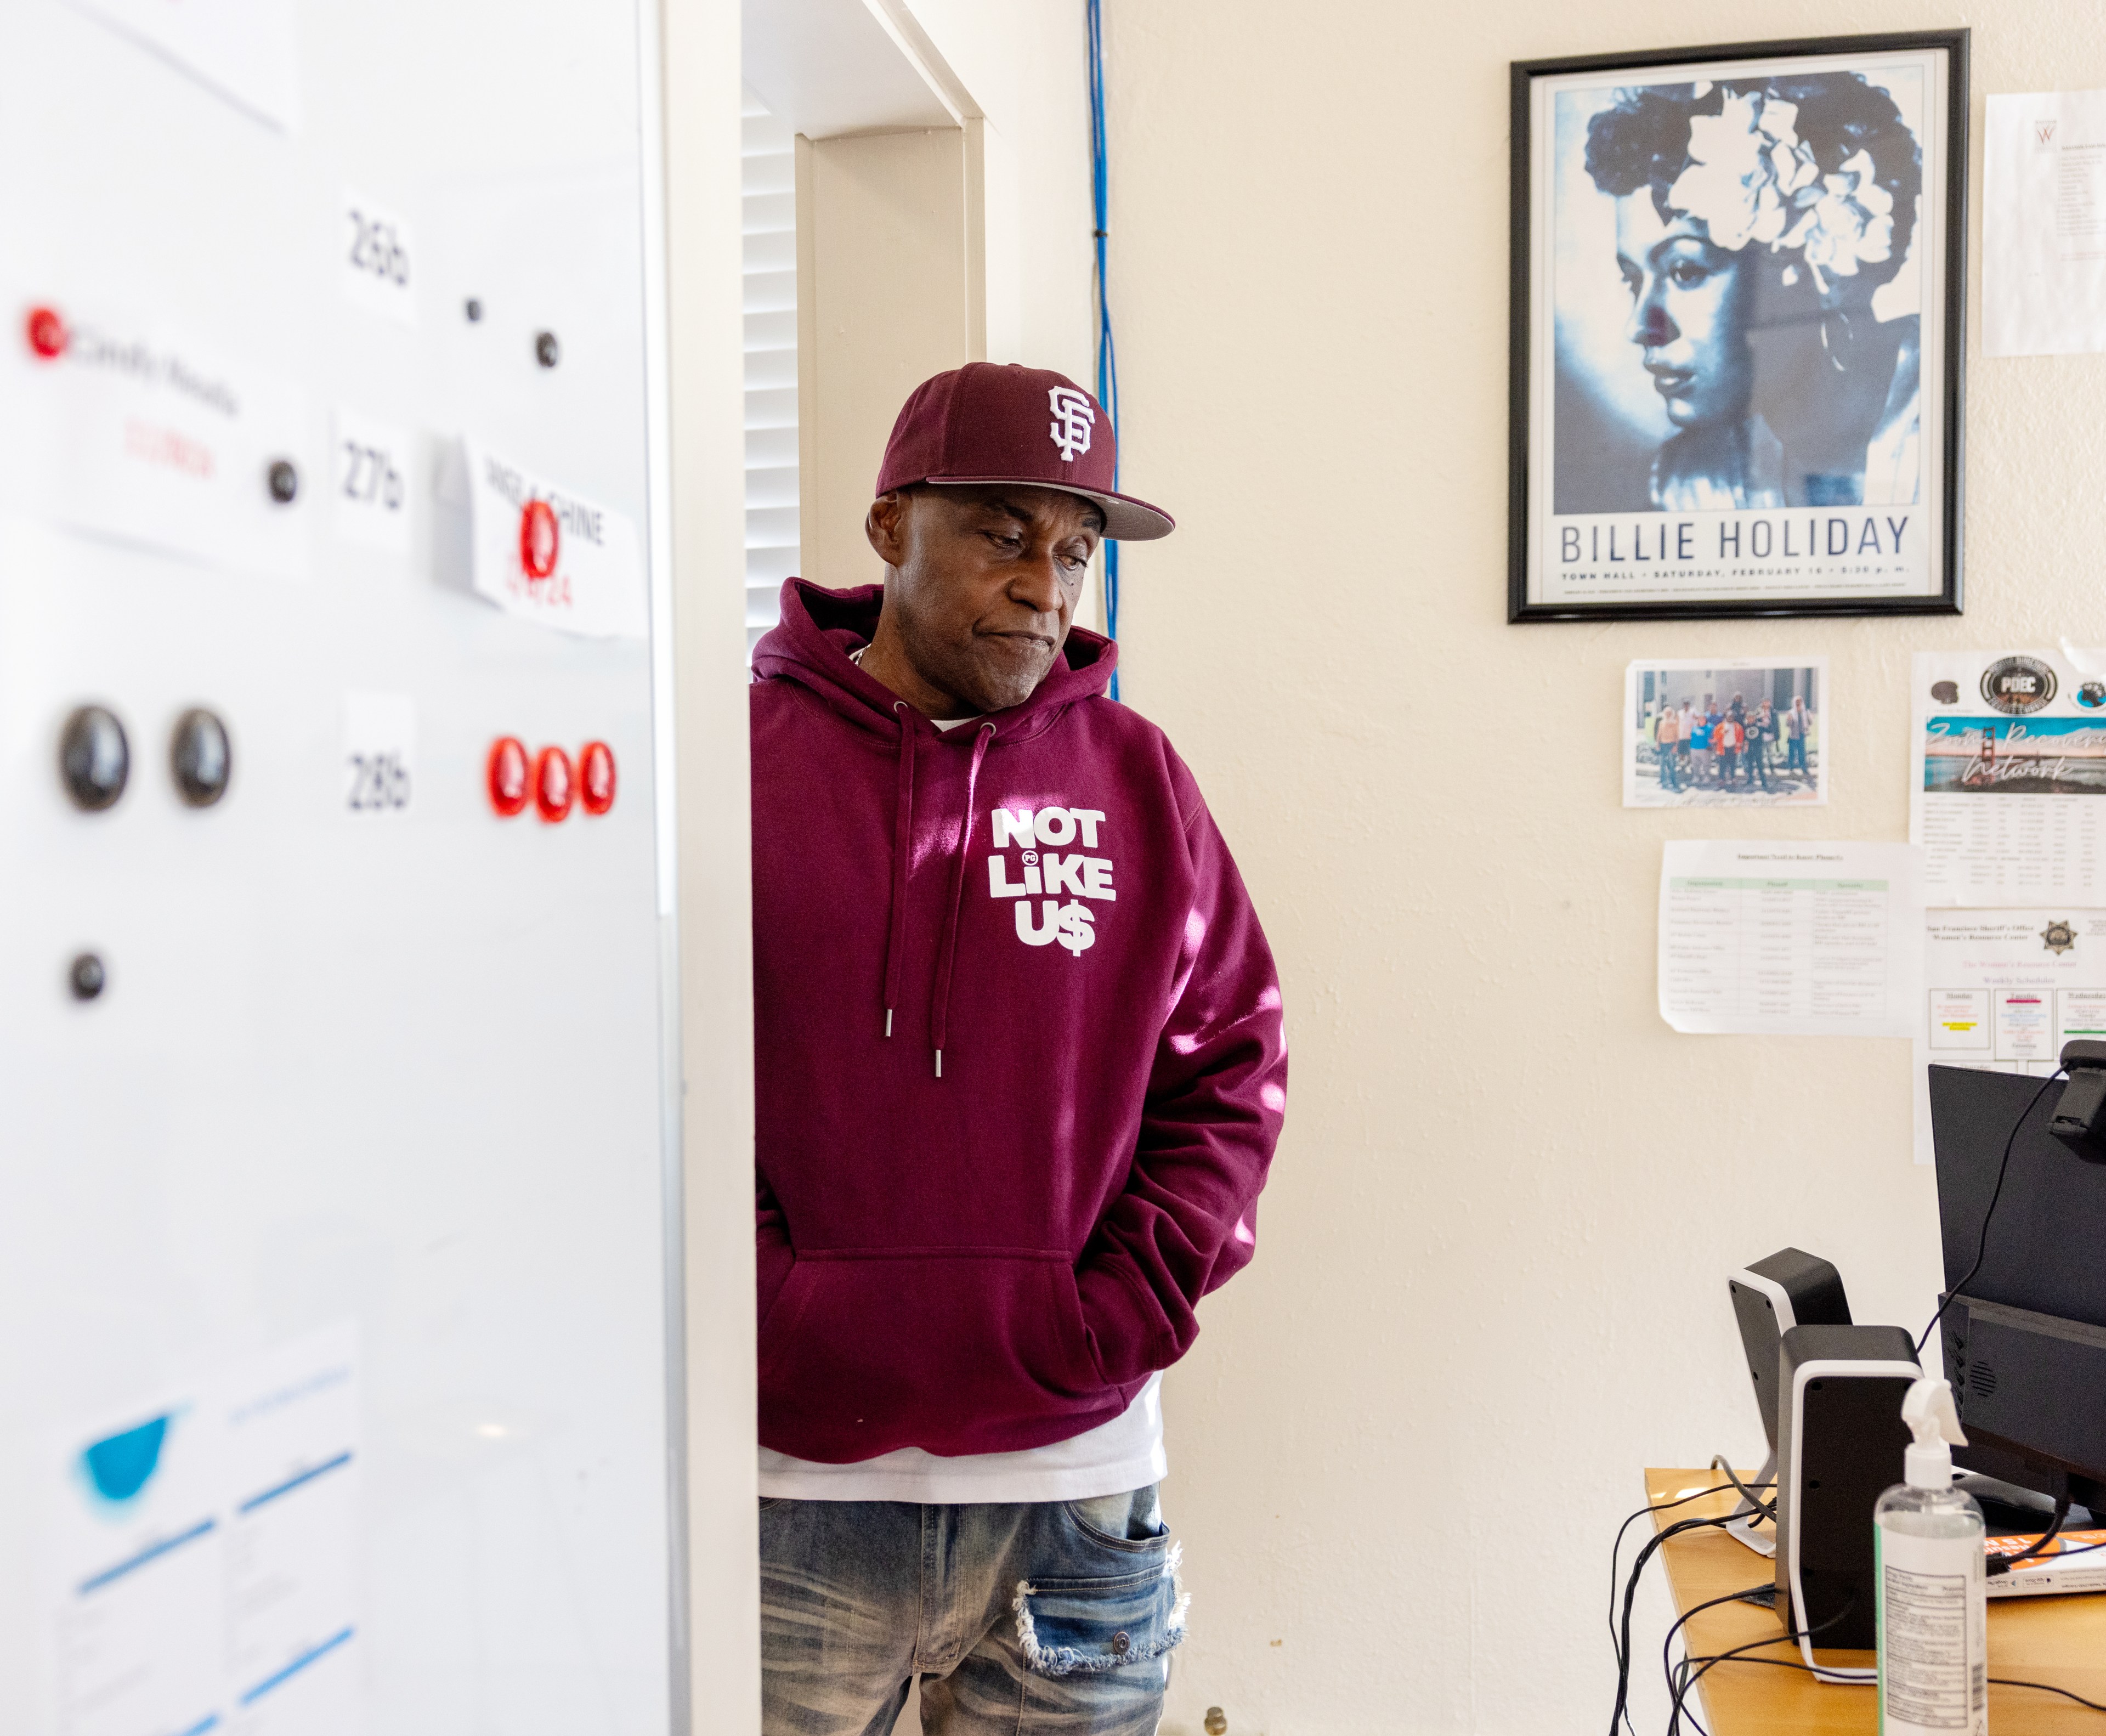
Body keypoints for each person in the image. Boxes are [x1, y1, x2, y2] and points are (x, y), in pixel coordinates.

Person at [746, 361, 1287, 1734]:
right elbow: (638, 1076)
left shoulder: (1140, 781)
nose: (1046, 585)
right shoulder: (731, 768)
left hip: (1075, 1505)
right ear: (888, 527)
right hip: (781, 1500)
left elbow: (1230, 1068)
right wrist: (764, 1307)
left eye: (1075, 548)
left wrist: (1120, 1307)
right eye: (1001, 532)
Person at [1584, 73, 1924, 510]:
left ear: (1809, 262)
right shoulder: (1695, 485)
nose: (1641, 327)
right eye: (1633, 281)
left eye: (1685, 270)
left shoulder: (1955, 412)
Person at [1655, 697, 1682, 792]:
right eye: (1666, 713)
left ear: (1672, 714)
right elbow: (1659, 734)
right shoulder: (1662, 723)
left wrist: (1676, 746)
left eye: (1670, 713)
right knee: (1662, 765)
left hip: (1671, 745)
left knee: (1672, 765)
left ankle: (1674, 782)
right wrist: (1657, 744)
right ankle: (1663, 782)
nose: (1668, 714)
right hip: (1663, 745)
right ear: (1664, 714)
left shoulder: (1675, 723)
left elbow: (1677, 736)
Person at [1746, 701, 1775, 790]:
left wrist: (1768, 722)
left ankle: (1764, 781)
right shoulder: (1746, 726)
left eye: (1752, 718)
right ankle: (1750, 780)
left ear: (1755, 718)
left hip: (1758, 747)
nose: (1751, 720)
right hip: (1749, 748)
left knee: (1760, 765)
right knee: (1750, 765)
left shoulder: (1760, 726)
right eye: (1749, 718)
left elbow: (1770, 730)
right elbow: (1744, 737)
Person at [1785, 695, 1811, 777]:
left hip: (1802, 734)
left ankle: (1803, 768)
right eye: (1797, 702)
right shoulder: (1791, 712)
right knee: (1792, 752)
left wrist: (1810, 717)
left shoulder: (1805, 712)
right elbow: (1788, 725)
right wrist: (1789, 719)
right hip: (1793, 735)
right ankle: (1791, 768)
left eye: (1799, 702)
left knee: (1802, 752)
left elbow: (1810, 723)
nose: (1798, 704)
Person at [1714, 710, 1741, 787]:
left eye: (1732, 716)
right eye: (1729, 716)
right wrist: (1722, 732)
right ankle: (1722, 780)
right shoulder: (1720, 726)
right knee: (1722, 765)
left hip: (1733, 748)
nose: (1730, 718)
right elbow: (1715, 737)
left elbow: (1741, 736)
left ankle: (1733, 779)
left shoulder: (1737, 726)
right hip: (1723, 749)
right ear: (1726, 717)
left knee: (1733, 765)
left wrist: (1739, 744)